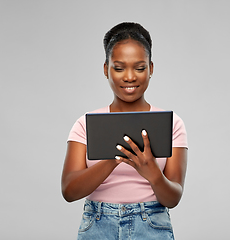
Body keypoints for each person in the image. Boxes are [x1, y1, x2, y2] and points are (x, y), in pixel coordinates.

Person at [61, 22, 188, 240]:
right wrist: (115, 157)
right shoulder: (86, 124)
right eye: (119, 68)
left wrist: (153, 175)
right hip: (98, 225)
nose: (129, 77)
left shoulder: (172, 124)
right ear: (105, 69)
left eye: (139, 68)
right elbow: (69, 191)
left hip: (151, 225)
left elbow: (173, 198)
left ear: (151, 68)